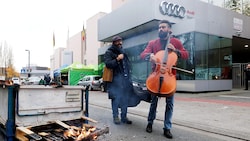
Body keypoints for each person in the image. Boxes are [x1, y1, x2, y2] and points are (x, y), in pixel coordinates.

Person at [140, 20, 189, 139]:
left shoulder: (175, 42)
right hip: (156, 77)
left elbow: (186, 54)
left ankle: (167, 127)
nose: (160, 29)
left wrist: (176, 51)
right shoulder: (153, 43)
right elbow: (143, 54)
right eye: (159, 27)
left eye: (163, 27)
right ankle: (150, 123)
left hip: (169, 77)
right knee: (153, 103)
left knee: (170, 104)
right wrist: (149, 56)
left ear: (169, 30)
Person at [104, 35, 133, 125]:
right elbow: (108, 64)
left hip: (125, 80)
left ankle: (124, 117)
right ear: (114, 43)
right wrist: (117, 59)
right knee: (115, 99)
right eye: (118, 41)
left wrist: (129, 73)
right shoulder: (109, 52)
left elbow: (128, 64)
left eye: (121, 41)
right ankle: (115, 117)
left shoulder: (123, 52)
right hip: (115, 81)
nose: (120, 43)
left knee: (125, 99)